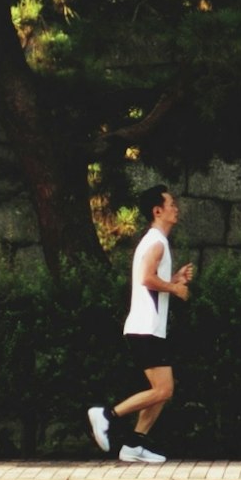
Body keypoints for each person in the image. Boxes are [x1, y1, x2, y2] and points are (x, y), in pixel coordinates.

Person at [86, 190, 194, 465]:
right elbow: (147, 279)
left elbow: (150, 281)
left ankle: (134, 444)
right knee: (163, 390)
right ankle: (106, 415)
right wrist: (176, 289)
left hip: (149, 328)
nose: (176, 209)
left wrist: (173, 278)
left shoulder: (155, 242)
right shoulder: (156, 242)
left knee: (162, 388)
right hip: (145, 328)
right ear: (157, 211)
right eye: (171, 204)